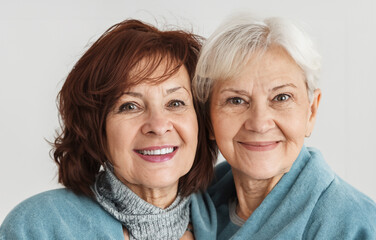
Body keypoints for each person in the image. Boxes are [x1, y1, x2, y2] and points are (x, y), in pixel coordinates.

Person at [0, 19, 216, 239]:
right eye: (130, 106)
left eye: (175, 103)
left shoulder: (223, 216)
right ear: (96, 129)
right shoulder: (37, 228)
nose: (158, 126)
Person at [192, 14, 376, 239]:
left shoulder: (352, 223)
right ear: (208, 119)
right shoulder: (193, 205)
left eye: (281, 98)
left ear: (311, 112)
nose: (259, 124)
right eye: (236, 100)